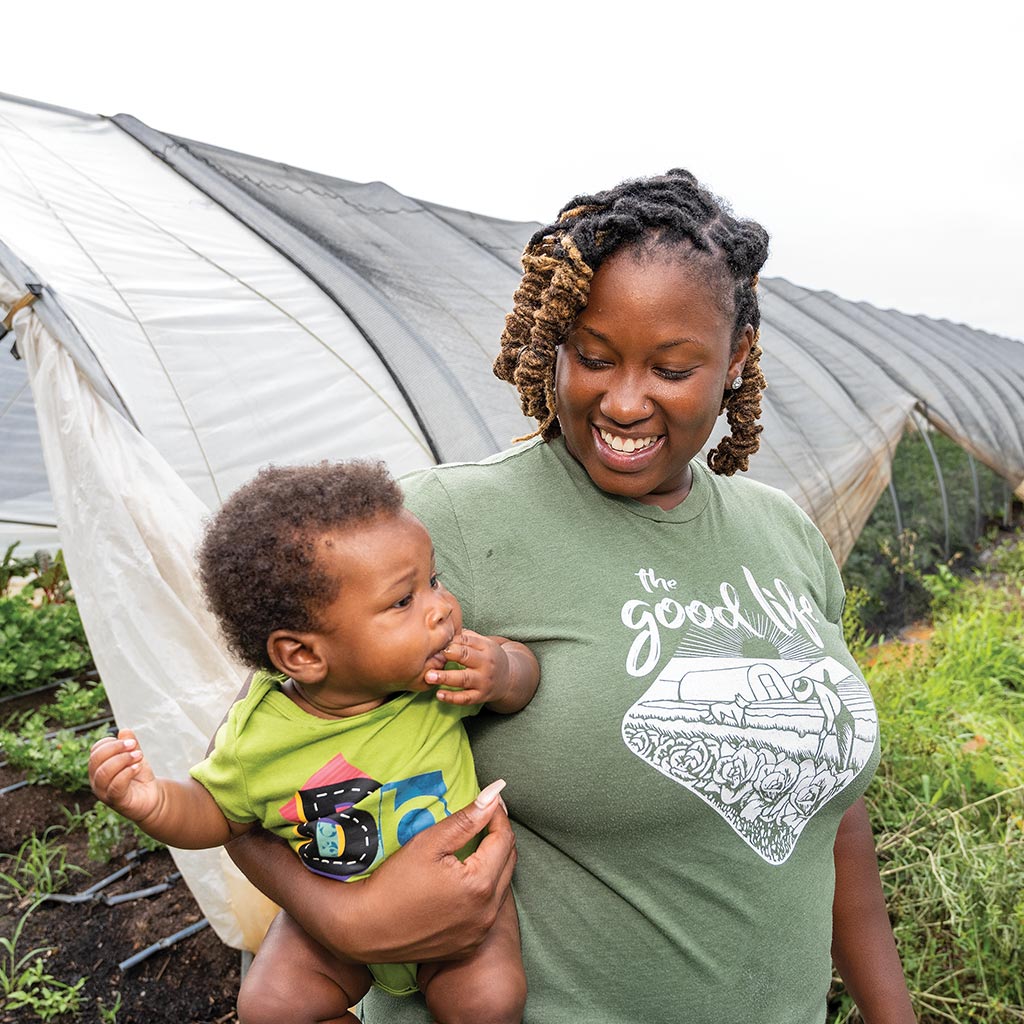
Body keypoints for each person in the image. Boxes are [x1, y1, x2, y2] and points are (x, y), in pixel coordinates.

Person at [224, 170, 917, 1023]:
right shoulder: (445, 529)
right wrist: (350, 918)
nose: (623, 400)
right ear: (551, 339)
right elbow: (265, 772)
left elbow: (833, 808)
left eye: (671, 367)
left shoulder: (783, 534)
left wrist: (892, 1013)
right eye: (592, 357)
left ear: (734, 359)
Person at [89, 461, 539, 1024]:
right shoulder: (260, 737)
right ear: (303, 655)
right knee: (269, 1007)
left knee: (487, 1001)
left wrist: (502, 671)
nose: (441, 607)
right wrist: (153, 803)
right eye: (404, 601)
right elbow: (214, 814)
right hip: (331, 920)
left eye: (434, 580)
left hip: (458, 907)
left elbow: (523, 679)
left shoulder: (440, 675)